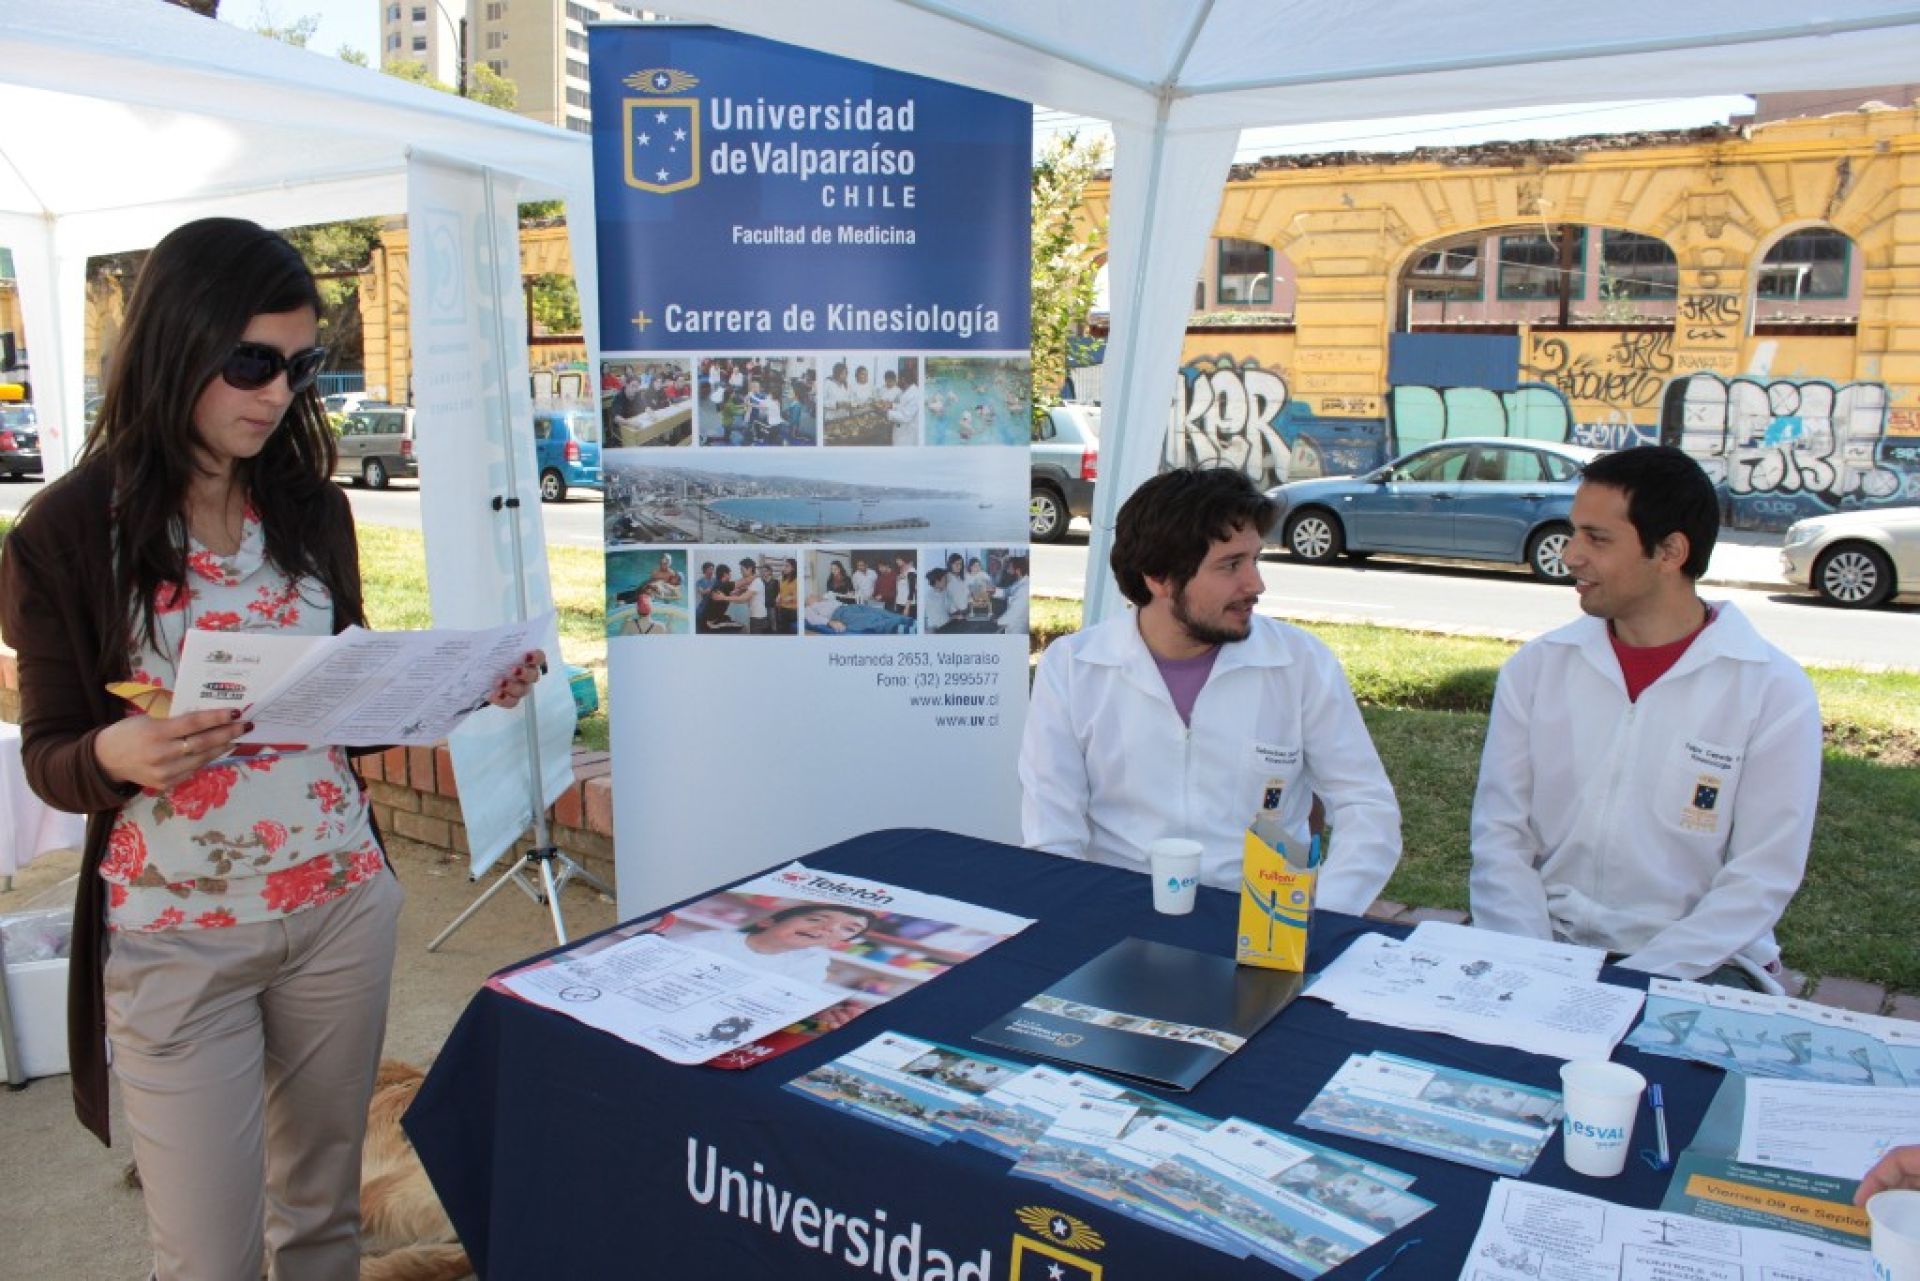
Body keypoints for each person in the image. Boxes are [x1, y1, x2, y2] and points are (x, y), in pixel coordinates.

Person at [0, 217, 542, 1280]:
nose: (279, 393)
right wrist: (117, 754)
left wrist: (458, 688)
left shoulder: (308, 508)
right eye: (252, 362)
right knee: (207, 1253)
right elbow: (51, 753)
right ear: (176, 341)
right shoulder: (66, 533)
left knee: (323, 1222)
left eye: (300, 365)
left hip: (338, 904)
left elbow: (337, 707)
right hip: (175, 935)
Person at [1470, 446, 1821, 990]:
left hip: (1703, 963)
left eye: (1597, 538)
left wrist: (1633, 983)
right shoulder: (1538, 668)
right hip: (1544, 941)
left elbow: (1761, 875)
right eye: (1574, 532)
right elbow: (1500, 837)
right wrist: (1536, 962)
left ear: (1670, 551)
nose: (1570, 554)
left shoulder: (1770, 689)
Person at [1018, 467, 1401, 909]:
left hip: (1266, 918)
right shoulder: (1074, 668)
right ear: (1158, 577)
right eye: (1231, 565)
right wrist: (1077, 920)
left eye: (1255, 559)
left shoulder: (1300, 663)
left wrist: (1323, 914)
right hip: (1118, 911)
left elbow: (1366, 806)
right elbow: (1052, 832)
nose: (1256, 584)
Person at [678, 904, 877, 986]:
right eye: (815, 919)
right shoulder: (711, 940)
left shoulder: (813, 962)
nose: (829, 929)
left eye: (848, 929)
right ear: (768, 922)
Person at [996, 554, 1031, 635]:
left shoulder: (1025, 588)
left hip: (1017, 629)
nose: (1008, 569)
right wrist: (993, 591)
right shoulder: (1019, 582)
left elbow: (1014, 611)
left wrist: (997, 621)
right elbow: (1006, 592)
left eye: (1010, 567)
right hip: (1012, 626)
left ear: (1018, 570)